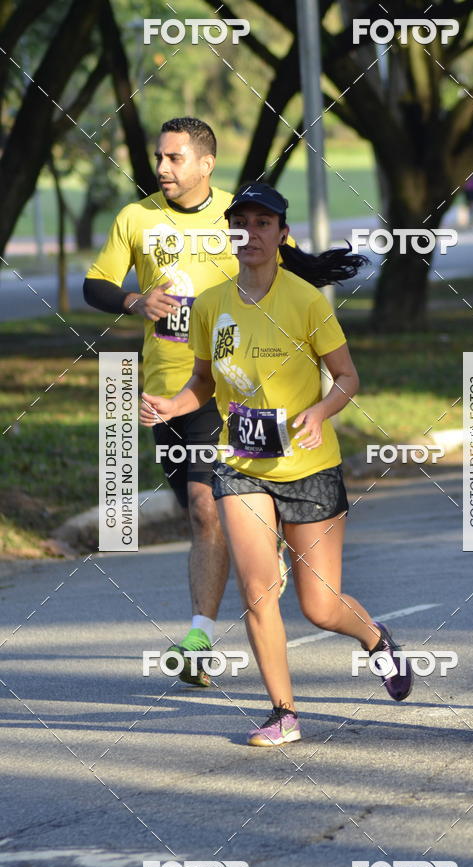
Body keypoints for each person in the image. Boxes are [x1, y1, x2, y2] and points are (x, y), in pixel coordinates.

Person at [140, 182, 414, 745]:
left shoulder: (306, 301)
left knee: (320, 606)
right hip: (240, 465)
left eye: (263, 223)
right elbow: (202, 382)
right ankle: (283, 712)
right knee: (258, 590)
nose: (251, 233)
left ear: (282, 233)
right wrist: (171, 406)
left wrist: (321, 410)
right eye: (240, 224)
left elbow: (348, 377)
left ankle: (376, 639)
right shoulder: (210, 304)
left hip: (309, 468)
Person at [84, 117, 286, 687]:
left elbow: (288, 274)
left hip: (235, 389)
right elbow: (94, 283)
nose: (162, 168)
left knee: (206, 506)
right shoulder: (136, 217)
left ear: (205, 163)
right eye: (159, 157)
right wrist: (134, 301)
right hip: (166, 391)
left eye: (174, 158)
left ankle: (198, 638)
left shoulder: (241, 218)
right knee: (199, 513)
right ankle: (263, 544)